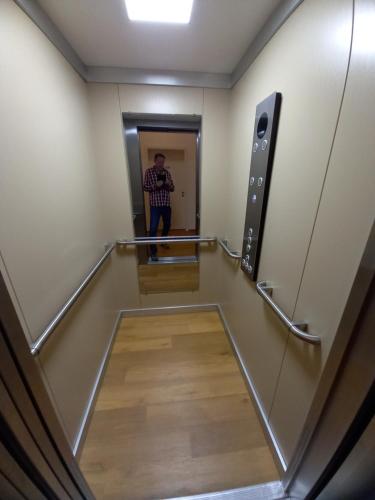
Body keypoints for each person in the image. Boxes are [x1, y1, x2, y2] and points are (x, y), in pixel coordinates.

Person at [143, 153, 175, 261]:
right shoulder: (149, 172)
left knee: (167, 225)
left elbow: (172, 188)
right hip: (155, 205)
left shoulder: (167, 173)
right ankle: (153, 251)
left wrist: (168, 183)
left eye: (163, 161)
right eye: (159, 161)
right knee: (153, 228)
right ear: (155, 161)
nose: (161, 163)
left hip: (166, 204)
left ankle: (163, 241)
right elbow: (145, 187)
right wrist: (155, 186)